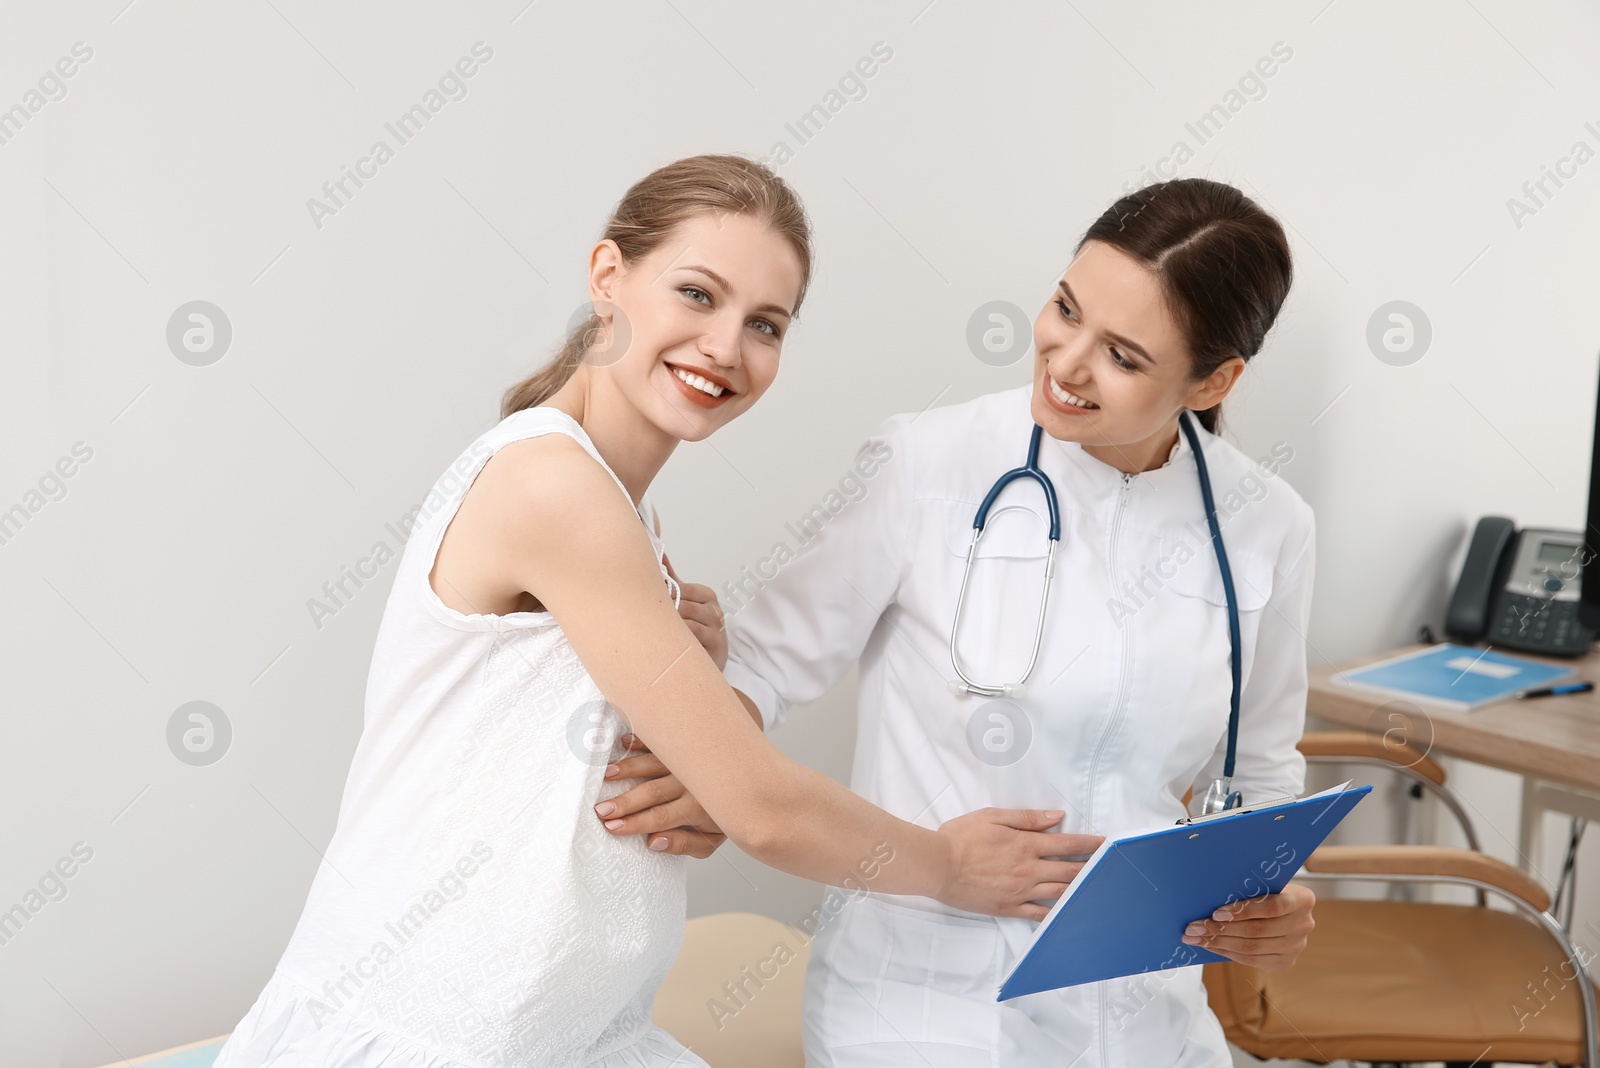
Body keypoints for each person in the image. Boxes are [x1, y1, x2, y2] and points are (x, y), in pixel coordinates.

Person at [210, 154, 1096, 1068]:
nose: (725, 346)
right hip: (434, 1038)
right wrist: (951, 866)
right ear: (608, 278)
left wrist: (689, 693)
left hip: (577, 1036)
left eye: (765, 324)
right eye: (697, 294)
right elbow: (762, 807)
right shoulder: (553, 484)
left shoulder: (626, 518)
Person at [600, 177, 1319, 1066]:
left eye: (1124, 357)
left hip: (1148, 1019)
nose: (1065, 362)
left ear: (1214, 378)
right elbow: (766, 664)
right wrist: (704, 767)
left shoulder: (1267, 524)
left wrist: (1273, 895)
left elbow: (1262, 770)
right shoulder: (930, 462)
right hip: (925, 1003)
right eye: (1065, 308)